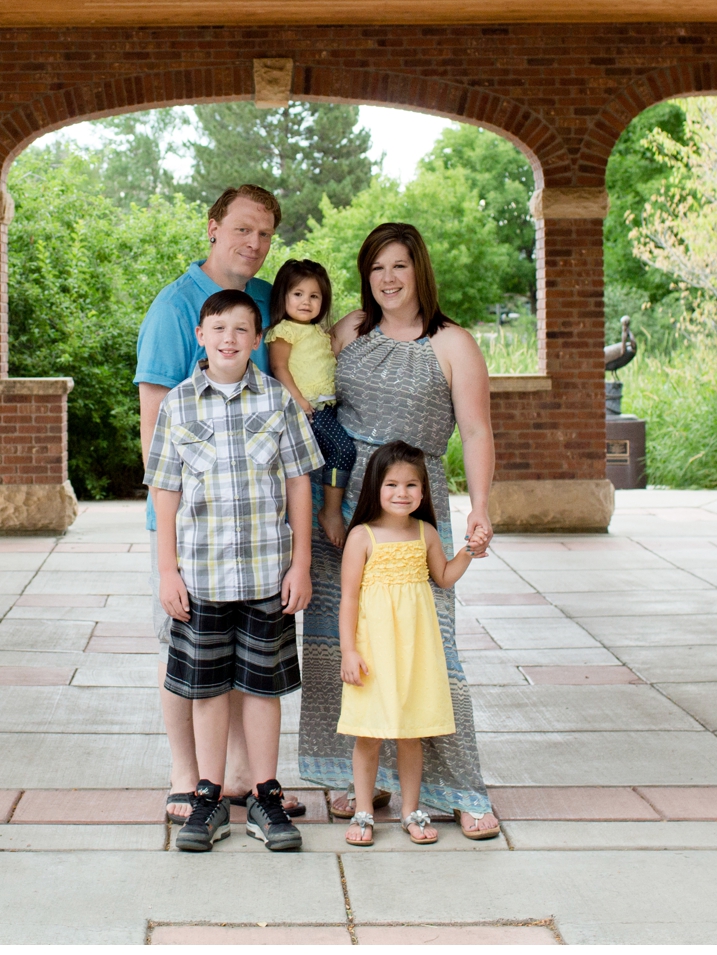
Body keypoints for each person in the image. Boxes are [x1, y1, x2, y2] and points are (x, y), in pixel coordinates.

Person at [298, 221, 504, 839]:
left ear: (419, 271)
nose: (387, 279)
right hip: (346, 499)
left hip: (416, 502)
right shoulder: (349, 332)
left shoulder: (453, 343)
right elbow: (312, 396)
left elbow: (475, 431)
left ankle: (462, 789)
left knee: (427, 644)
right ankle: (357, 779)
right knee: (348, 638)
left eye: (398, 266)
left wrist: (482, 506)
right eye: (376, 268)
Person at [135, 185, 306, 824]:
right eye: (242, 230)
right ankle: (187, 776)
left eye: (264, 234)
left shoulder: (265, 302)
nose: (254, 245)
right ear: (213, 228)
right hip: (190, 522)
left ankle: (243, 777)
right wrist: (167, 544)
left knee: (249, 658)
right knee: (188, 654)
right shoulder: (175, 307)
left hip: (257, 520)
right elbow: (156, 426)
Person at [146, 289, 321, 853]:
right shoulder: (177, 405)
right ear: (201, 336)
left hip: (267, 574)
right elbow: (164, 490)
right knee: (207, 690)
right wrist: (167, 570)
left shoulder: (278, 402)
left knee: (261, 687)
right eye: (218, 328)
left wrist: (301, 563)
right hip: (201, 577)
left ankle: (266, 794)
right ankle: (209, 794)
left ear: (256, 339)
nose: (229, 339)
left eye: (242, 330)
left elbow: (299, 484)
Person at [336, 441, 481, 847]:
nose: (402, 493)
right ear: (374, 488)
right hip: (373, 653)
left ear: (424, 490)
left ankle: (411, 810)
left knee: (411, 733)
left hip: (417, 651)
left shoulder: (426, 533)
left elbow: (445, 577)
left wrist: (469, 549)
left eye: (412, 485)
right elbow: (348, 597)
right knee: (368, 733)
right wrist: (349, 650)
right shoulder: (362, 537)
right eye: (392, 485)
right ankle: (363, 812)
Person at [263, 258, 357, 523]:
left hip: (326, 406)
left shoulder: (318, 331)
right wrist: (300, 400)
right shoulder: (284, 331)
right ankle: (330, 510)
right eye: (298, 294)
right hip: (308, 409)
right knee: (343, 450)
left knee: (329, 456)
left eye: (314, 296)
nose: (306, 301)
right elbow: (279, 367)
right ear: (283, 296)